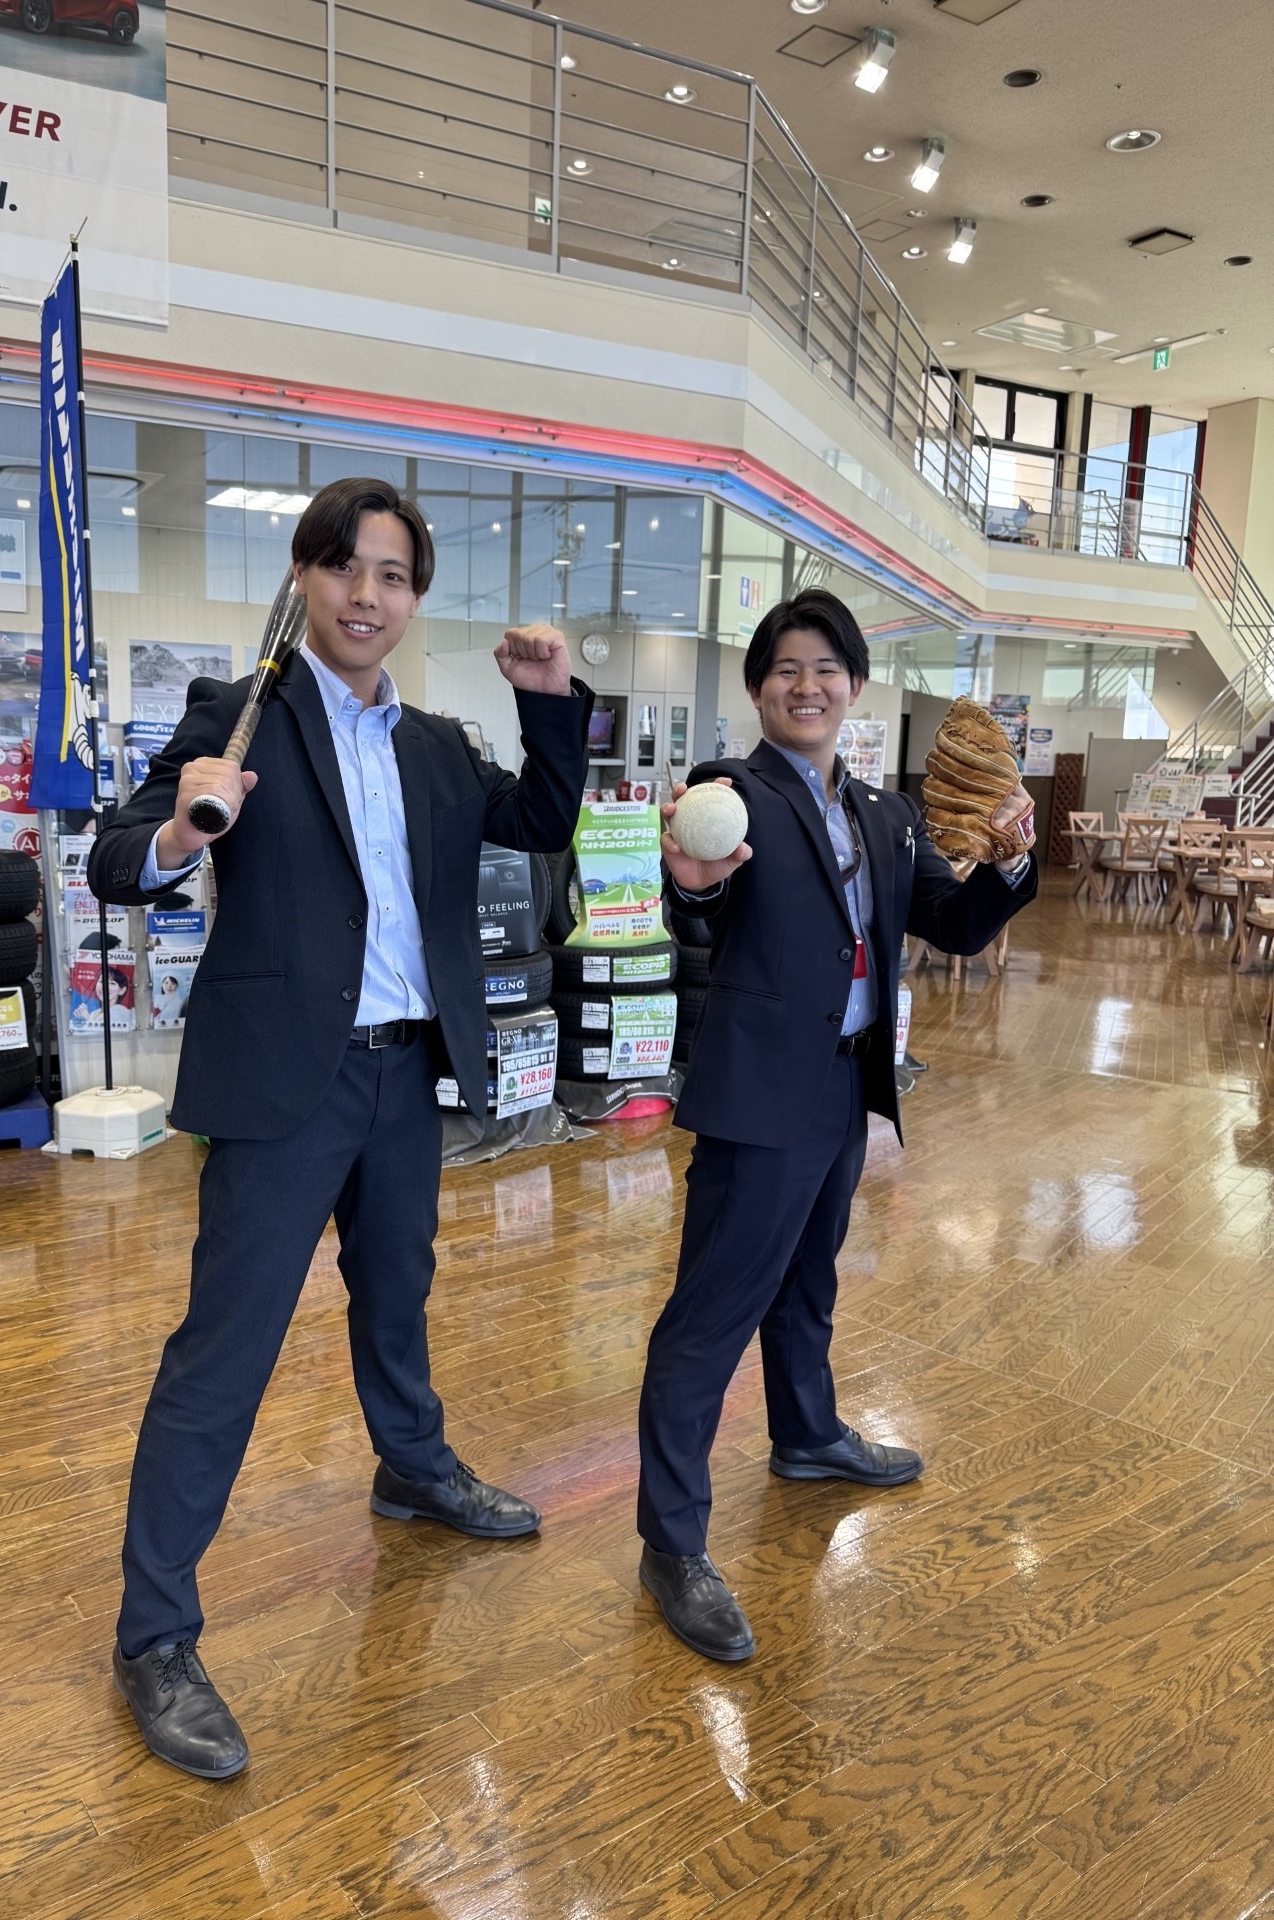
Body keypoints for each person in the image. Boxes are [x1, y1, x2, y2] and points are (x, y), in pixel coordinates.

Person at [88, 476, 591, 1777]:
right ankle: (155, 1635)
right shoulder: (239, 714)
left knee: (398, 1295)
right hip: (280, 1088)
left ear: (414, 598)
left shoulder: (436, 746)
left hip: (403, 1077)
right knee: (225, 1351)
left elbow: (542, 821)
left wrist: (550, 701)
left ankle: (412, 1467)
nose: (369, 594)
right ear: (307, 578)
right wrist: (182, 825)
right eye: (346, 567)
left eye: (395, 575)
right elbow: (115, 858)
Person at [637, 589, 1038, 1662]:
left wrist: (1008, 862)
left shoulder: (885, 815)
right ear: (759, 689)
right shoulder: (731, 792)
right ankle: (671, 1541)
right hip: (758, 1096)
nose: (806, 686)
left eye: (826, 669)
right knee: (711, 1314)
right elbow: (703, 901)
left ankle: (807, 1435)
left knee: (809, 1282)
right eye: (785, 669)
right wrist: (693, 889)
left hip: (845, 1088)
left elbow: (951, 925)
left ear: (855, 687)